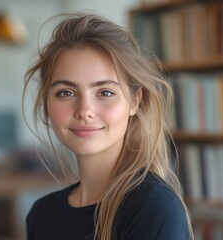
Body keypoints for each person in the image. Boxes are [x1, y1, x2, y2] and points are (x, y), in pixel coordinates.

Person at [22, 12, 194, 240]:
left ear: (135, 101)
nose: (84, 110)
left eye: (105, 92)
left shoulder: (154, 208)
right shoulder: (42, 214)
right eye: (66, 92)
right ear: (46, 103)